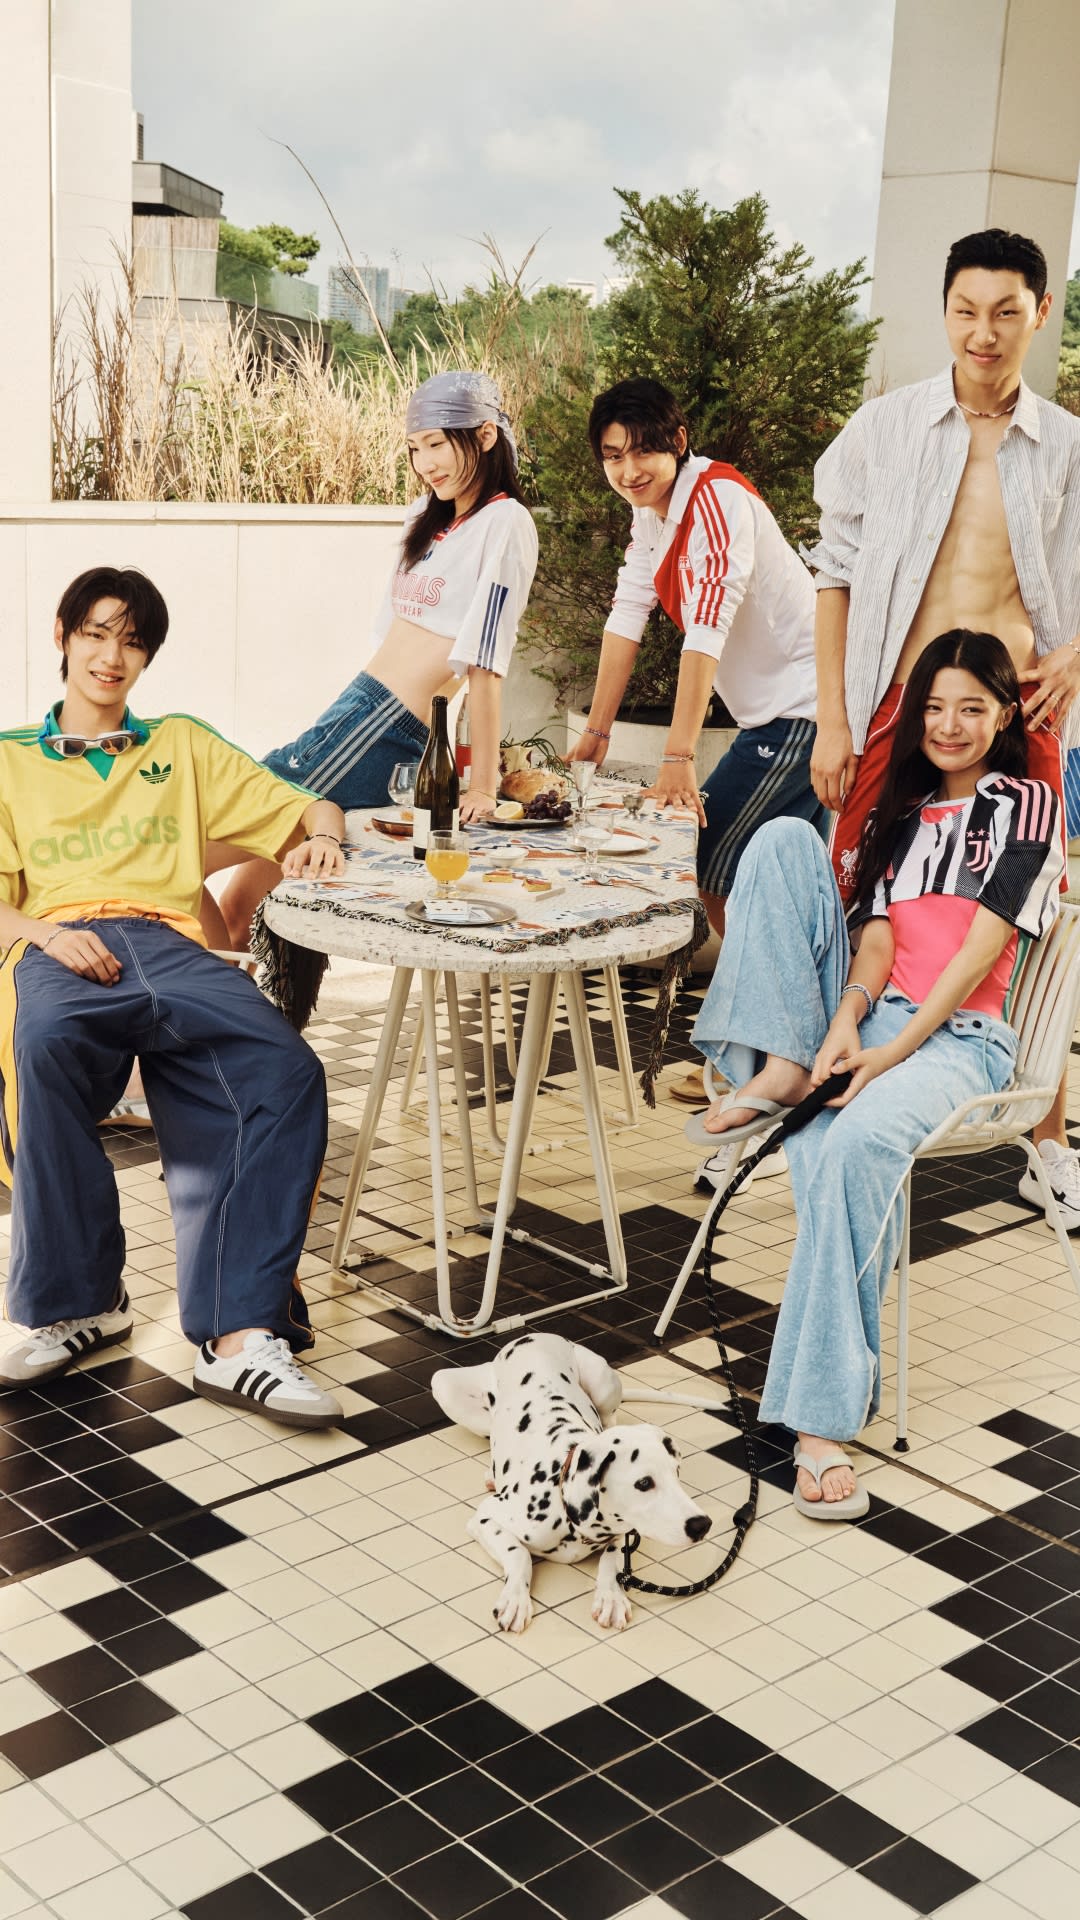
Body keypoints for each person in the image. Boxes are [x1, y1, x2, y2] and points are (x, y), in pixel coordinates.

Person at [692, 631, 1062, 1515]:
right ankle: (784, 1066)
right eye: (933, 707)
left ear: (1005, 715)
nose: (949, 725)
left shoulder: (1029, 807)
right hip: (874, 1020)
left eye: (971, 707)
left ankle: (820, 1420)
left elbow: (977, 952)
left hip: (962, 1040)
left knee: (842, 1147)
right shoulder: (906, 810)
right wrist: (851, 1019)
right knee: (783, 838)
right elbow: (881, 938)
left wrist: (892, 1052)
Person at [0, 566, 347, 1427]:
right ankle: (80, 1305)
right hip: (60, 942)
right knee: (40, 1045)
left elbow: (307, 806)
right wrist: (44, 935)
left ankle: (238, 1337)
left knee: (285, 1067)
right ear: (62, 636)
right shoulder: (7, 760)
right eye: (96, 633)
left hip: (168, 940)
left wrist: (322, 840)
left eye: (131, 641)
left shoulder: (179, 746)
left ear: (146, 656)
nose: (111, 656)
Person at [808, 227, 1080, 1227]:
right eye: (968, 310)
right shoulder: (886, 428)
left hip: (1020, 705)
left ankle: (1047, 1140)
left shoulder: (1067, 445)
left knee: (1035, 912)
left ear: (1039, 315)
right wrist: (833, 718)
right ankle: (815, 1086)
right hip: (897, 699)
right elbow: (830, 569)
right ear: (945, 311)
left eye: (1008, 312)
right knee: (856, 887)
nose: (985, 331)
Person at [216, 369, 539, 946]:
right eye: (416, 449)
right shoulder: (429, 518)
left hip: (383, 730)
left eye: (437, 444)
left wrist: (484, 785)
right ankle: (226, 1021)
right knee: (239, 902)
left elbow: (485, 663)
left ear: (486, 436)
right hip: (354, 714)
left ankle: (206, 1024)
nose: (425, 463)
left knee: (196, 855)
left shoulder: (506, 523)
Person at [569, 378, 823, 1106]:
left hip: (802, 715)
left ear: (679, 442)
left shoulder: (715, 503)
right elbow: (629, 608)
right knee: (780, 892)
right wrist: (595, 730)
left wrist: (678, 759)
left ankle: (752, 1060)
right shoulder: (654, 514)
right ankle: (790, 1051)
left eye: (645, 448)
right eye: (614, 455)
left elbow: (704, 630)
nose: (630, 468)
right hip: (778, 715)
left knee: (709, 862)